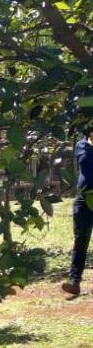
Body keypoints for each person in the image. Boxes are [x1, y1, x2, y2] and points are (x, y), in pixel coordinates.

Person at [62, 124, 93, 297]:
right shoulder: (82, 146)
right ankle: (74, 282)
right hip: (84, 198)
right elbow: (88, 163)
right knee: (81, 240)